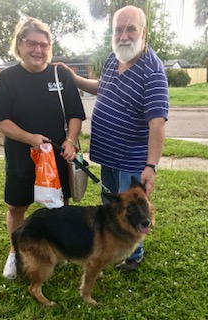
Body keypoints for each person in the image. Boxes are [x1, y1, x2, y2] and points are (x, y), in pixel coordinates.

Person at [59, 5, 169, 272]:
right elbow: (102, 86)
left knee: (133, 208)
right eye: (118, 29)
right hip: (107, 153)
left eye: (131, 29)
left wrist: (150, 166)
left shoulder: (152, 71)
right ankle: (112, 242)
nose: (123, 36)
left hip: (131, 159)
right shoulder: (113, 58)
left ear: (144, 32)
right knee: (110, 204)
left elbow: (157, 123)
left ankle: (134, 253)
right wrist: (74, 79)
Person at [0, 17, 85, 279]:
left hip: (58, 159)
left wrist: (70, 141)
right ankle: (15, 253)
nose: (38, 50)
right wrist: (30, 138)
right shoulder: (7, 79)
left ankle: (57, 249)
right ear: (19, 44)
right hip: (22, 158)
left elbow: (76, 114)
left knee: (59, 207)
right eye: (32, 43)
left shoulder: (60, 74)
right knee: (17, 208)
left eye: (44, 45)